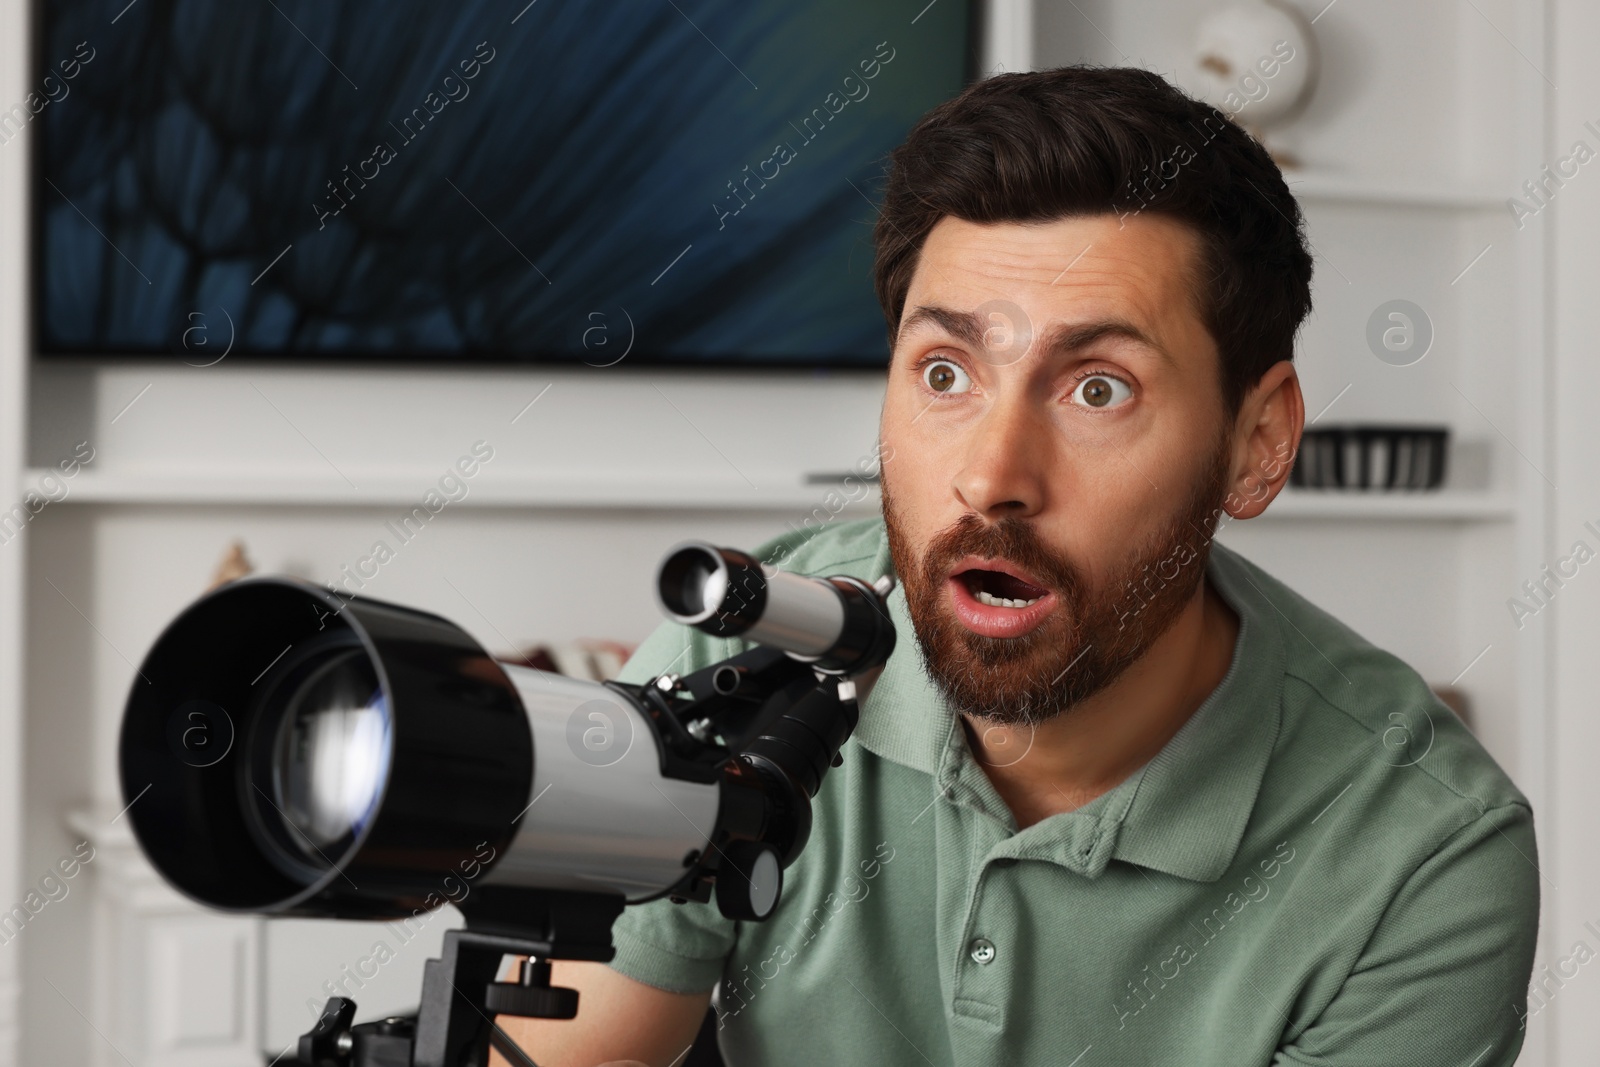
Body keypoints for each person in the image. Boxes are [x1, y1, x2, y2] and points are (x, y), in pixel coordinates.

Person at [495, 65, 1539, 1067]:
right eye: (945, 372)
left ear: (1256, 442)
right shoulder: (753, 649)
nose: (991, 477)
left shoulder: (1424, 852)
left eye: (1097, 389)